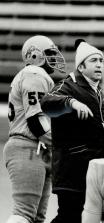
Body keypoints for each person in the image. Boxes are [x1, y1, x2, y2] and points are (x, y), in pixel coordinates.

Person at [40, 40, 104, 223]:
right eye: (94, 60)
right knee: (69, 217)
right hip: (72, 171)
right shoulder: (67, 86)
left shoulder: (97, 92)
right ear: (81, 66)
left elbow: (100, 132)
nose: (99, 65)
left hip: (94, 170)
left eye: (101, 61)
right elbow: (47, 103)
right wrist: (70, 102)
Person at [3, 35, 65, 223]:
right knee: (24, 213)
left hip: (37, 148)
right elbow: (36, 121)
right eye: (49, 53)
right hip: (28, 145)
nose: (54, 58)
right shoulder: (35, 74)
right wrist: (63, 144)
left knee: (37, 217)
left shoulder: (36, 76)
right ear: (34, 55)